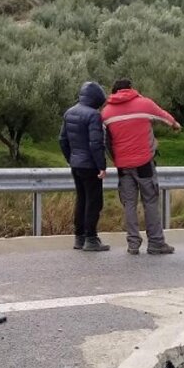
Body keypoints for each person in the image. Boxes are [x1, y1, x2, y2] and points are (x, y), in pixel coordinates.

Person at [101, 78, 180, 255]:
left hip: (122, 166)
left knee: (129, 203)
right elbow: (166, 117)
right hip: (144, 162)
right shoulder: (144, 104)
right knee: (150, 201)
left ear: (114, 92)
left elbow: (105, 140)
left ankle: (133, 244)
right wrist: (175, 125)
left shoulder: (106, 112)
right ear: (131, 88)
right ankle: (156, 243)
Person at [59, 81, 110, 252]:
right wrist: (101, 166)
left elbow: (62, 140)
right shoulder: (93, 115)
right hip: (90, 165)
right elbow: (96, 144)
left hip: (76, 164)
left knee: (81, 200)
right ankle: (91, 239)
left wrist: (71, 158)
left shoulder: (69, 112)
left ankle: (79, 237)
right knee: (93, 202)